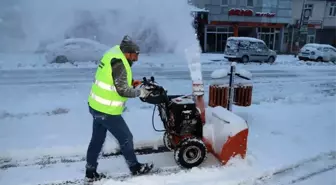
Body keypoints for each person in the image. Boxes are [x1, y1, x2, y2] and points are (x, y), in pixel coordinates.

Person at [85, 35, 153, 183]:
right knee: (126, 137)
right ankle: (135, 168)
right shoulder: (120, 64)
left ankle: (90, 172)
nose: (136, 59)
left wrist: (131, 82)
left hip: (96, 106)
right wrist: (140, 92)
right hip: (107, 111)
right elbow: (122, 90)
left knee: (97, 140)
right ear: (128, 53)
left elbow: (113, 79)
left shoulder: (113, 53)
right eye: (135, 55)